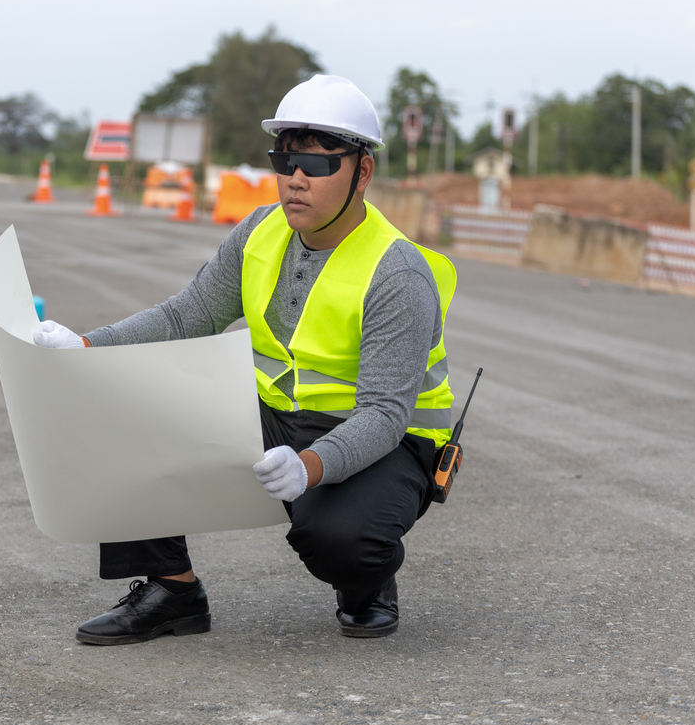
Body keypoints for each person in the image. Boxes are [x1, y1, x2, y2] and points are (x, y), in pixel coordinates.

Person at [33, 74, 455, 644]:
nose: (297, 179)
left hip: (383, 439)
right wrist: (88, 346)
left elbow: (384, 413)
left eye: (320, 163)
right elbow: (187, 317)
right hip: (275, 415)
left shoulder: (396, 273)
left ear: (363, 171)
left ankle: (366, 583)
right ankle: (172, 589)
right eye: (286, 159)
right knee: (122, 399)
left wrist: (310, 467)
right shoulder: (260, 232)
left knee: (344, 540)